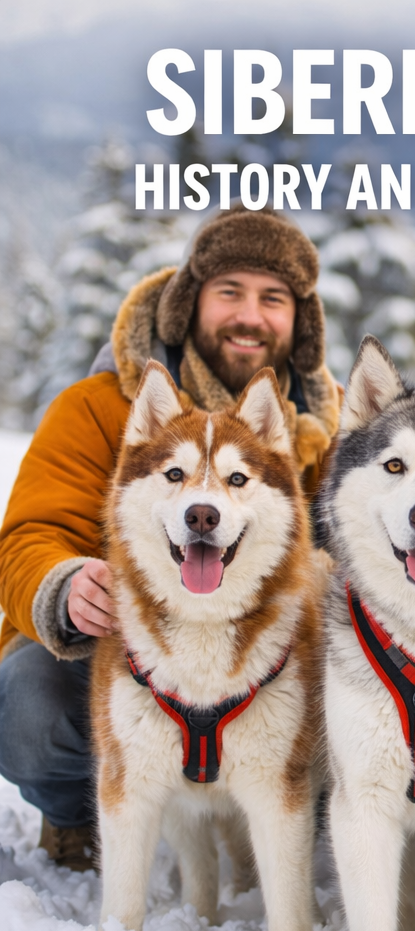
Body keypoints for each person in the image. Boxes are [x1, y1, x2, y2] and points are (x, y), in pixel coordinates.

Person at [0, 207, 342, 870]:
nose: (251, 315)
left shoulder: (326, 427)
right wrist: (63, 586)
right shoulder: (102, 407)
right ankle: (78, 815)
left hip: (268, 662)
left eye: (273, 299)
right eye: (229, 292)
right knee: (30, 707)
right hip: (127, 652)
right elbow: (32, 532)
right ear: (187, 305)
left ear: (299, 323)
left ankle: (311, 814)